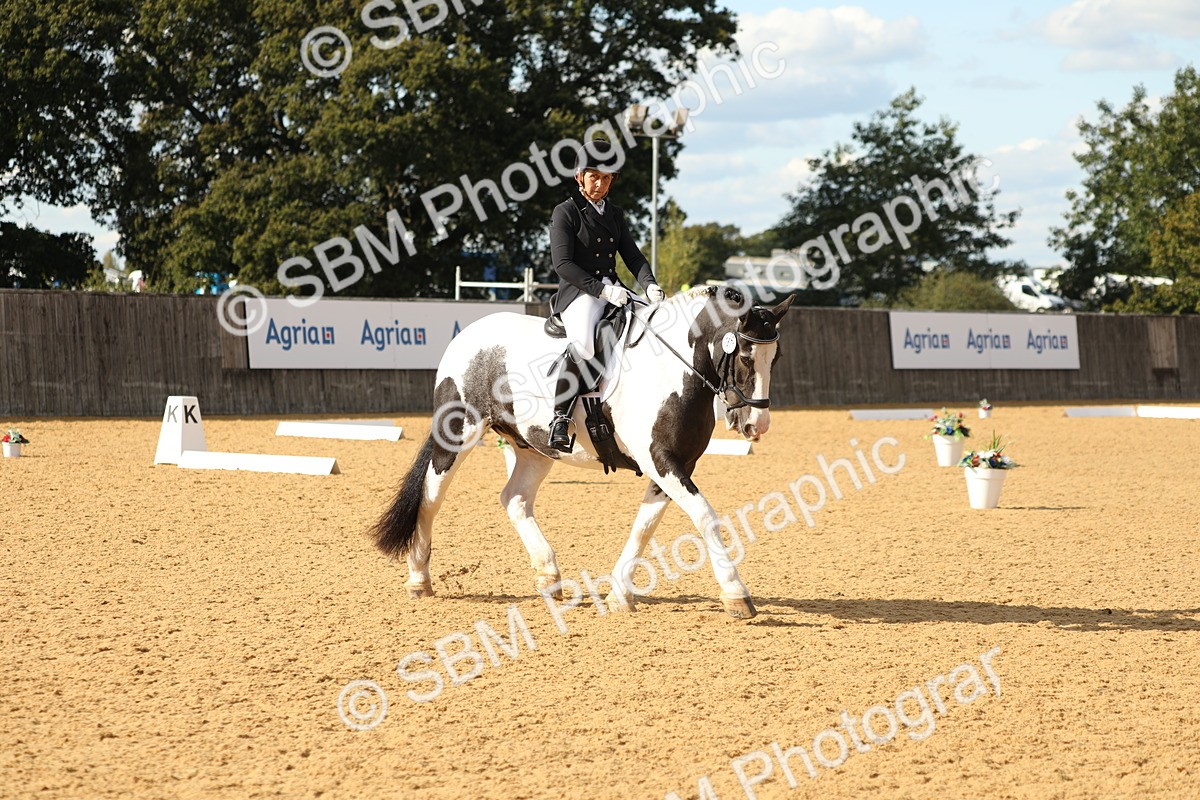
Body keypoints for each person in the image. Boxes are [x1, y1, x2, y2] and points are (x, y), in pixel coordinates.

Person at [546, 139, 665, 453]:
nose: (600, 183)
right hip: (579, 293)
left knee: (650, 327)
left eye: (607, 178)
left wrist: (649, 285)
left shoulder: (615, 214)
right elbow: (563, 264)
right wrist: (601, 289)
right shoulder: (566, 212)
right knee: (585, 343)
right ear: (580, 177)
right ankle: (560, 417)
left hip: (615, 290)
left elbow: (633, 256)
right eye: (594, 176)